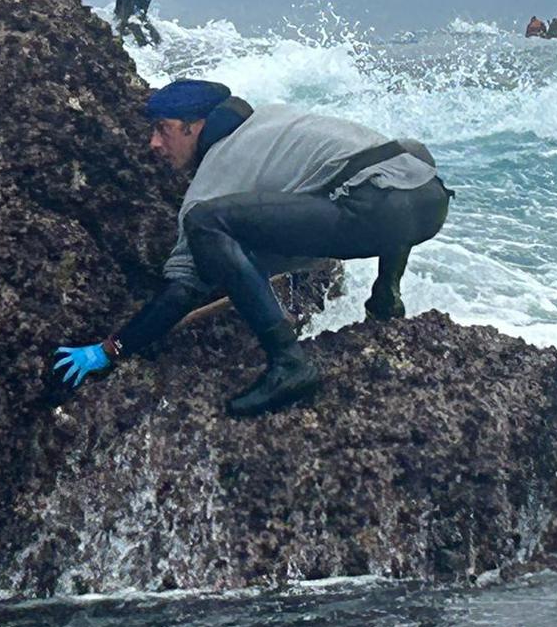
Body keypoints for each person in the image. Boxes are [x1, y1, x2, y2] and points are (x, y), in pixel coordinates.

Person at [50, 80, 452, 418]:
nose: (153, 144)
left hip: (377, 211)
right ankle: (386, 296)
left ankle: (288, 363)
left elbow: (181, 291)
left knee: (207, 221)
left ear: (195, 127)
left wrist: (110, 350)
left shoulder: (219, 169)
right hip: (427, 197)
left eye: (162, 129)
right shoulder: (273, 120)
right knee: (377, 170)